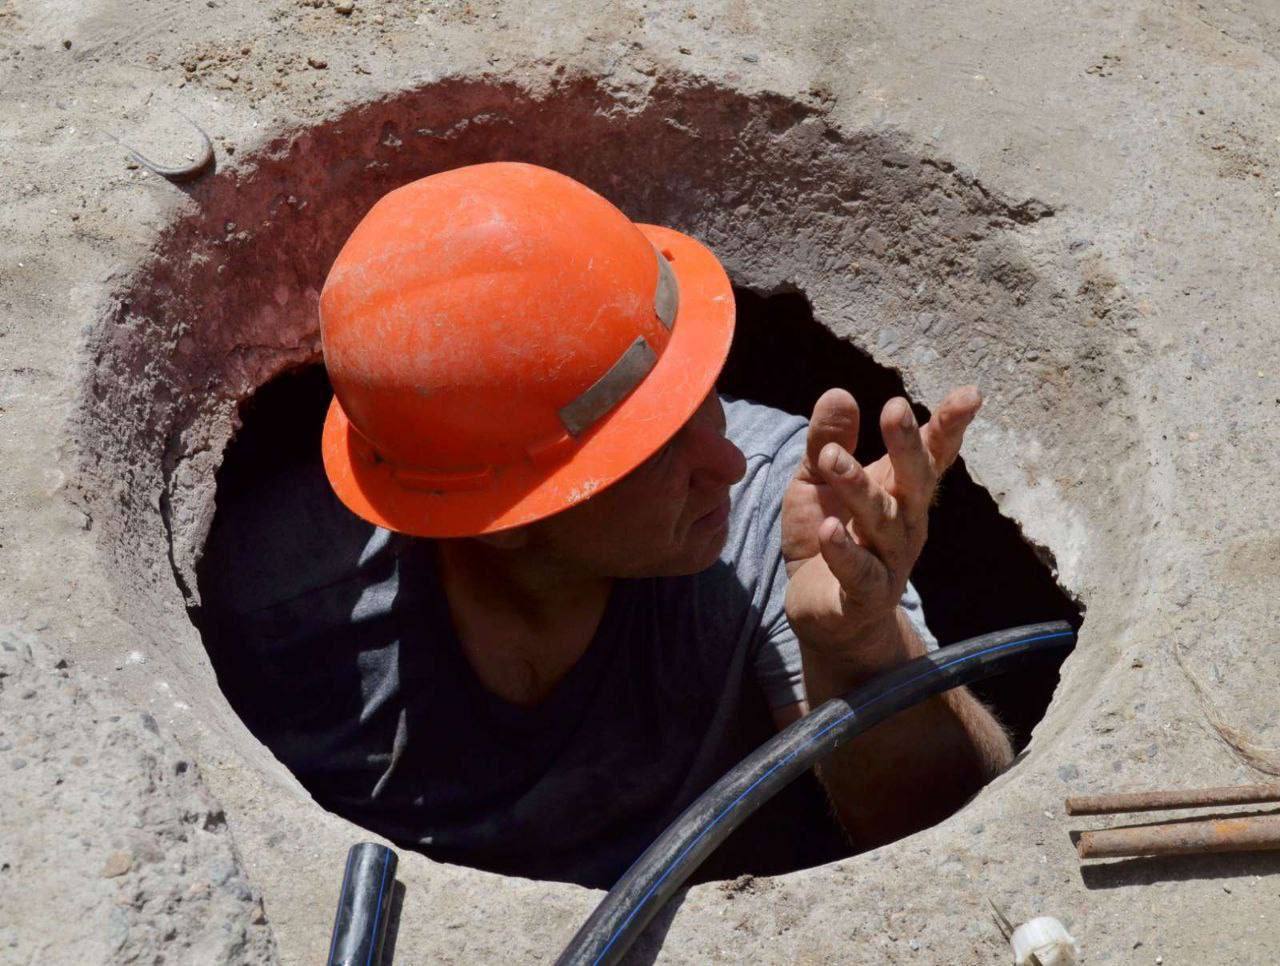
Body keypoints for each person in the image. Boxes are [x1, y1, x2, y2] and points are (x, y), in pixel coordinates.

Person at [199, 162, 1012, 889]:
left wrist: (862, 654)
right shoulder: (285, 608)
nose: (723, 462)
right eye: (653, 446)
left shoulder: (778, 516)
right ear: (498, 523)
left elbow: (947, 834)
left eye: (701, 394)